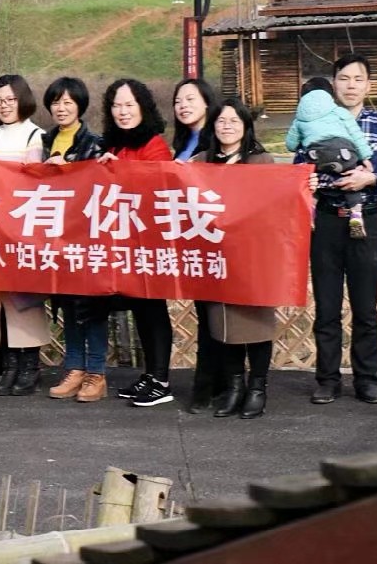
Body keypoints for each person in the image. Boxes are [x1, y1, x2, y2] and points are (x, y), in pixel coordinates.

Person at [299, 53, 377, 405]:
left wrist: (371, 178)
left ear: (368, 85)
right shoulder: (315, 121)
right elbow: (299, 167)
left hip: (365, 218)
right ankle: (327, 380)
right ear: (333, 84)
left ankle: (367, 379)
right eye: (344, 79)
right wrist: (312, 181)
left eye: (358, 79)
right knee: (326, 306)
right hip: (327, 220)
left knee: (365, 307)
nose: (351, 86)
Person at [194, 99, 277, 419]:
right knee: (224, 324)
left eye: (234, 121)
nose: (226, 126)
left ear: (245, 126)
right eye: (220, 121)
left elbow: (277, 202)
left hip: (254, 258)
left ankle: (257, 388)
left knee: (256, 324)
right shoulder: (201, 162)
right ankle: (234, 386)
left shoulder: (261, 161)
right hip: (217, 257)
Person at [97, 79, 175, 408]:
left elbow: (158, 184)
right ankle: (150, 375)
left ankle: (161, 379)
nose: (123, 111)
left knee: (153, 308)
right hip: (125, 241)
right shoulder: (114, 145)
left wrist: (120, 172)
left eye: (129, 105)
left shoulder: (154, 144)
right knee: (142, 309)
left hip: (149, 239)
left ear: (143, 107)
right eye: (116, 105)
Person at [0, 74, 48, 397]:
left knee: (24, 299)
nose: (4, 106)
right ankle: (9, 363)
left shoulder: (35, 135)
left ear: (22, 100)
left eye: (10, 99)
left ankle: (30, 363)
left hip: (24, 230)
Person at [41, 78, 110, 403]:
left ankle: (96, 373)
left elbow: (99, 186)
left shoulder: (95, 143)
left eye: (68, 102)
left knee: (92, 306)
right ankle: (74, 368)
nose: (61, 108)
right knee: (68, 304)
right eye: (56, 102)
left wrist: (68, 169)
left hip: (87, 236)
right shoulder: (45, 141)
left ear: (80, 105)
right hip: (57, 236)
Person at [170, 77, 221, 412]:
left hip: (218, 236)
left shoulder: (216, 138)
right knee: (205, 312)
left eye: (190, 99)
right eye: (178, 101)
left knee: (217, 313)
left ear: (207, 102)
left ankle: (212, 384)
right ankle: (209, 382)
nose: (183, 105)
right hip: (194, 237)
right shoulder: (183, 142)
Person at [286, 78, 374, 238]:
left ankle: (310, 213)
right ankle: (356, 215)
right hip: (343, 153)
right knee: (351, 181)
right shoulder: (338, 111)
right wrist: (365, 157)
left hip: (316, 155)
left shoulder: (299, 118)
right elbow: (355, 134)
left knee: (314, 184)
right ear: (330, 94)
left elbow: (291, 144)